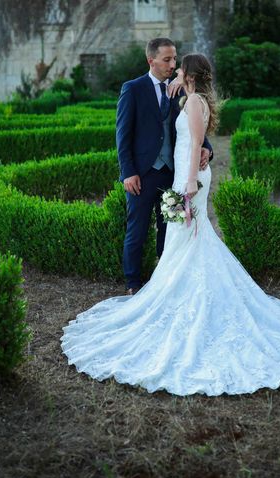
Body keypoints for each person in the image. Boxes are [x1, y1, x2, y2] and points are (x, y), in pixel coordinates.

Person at [61, 53, 280, 396]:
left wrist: (188, 183)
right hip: (181, 178)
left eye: (178, 64)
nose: (173, 67)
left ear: (188, 72)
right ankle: (164, 288)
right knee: (182, 238)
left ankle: (182, 293)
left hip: (189, 180)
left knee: (190, 235)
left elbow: (197, 142)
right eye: (169, 61)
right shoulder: (184, 97)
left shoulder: (195, 102)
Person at [116, 37, 212, 295]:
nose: (173, 64)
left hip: (173, 175)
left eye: (174, 59)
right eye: (167, 59)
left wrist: (208, 150)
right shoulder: (133, 89)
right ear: (151, 61)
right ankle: (133, 283)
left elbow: (198, 128)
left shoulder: (181, 91)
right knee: (136, 228)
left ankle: (165, 279)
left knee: (170, 227)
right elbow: (122, 135)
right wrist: (129, 173)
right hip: (143, 175)